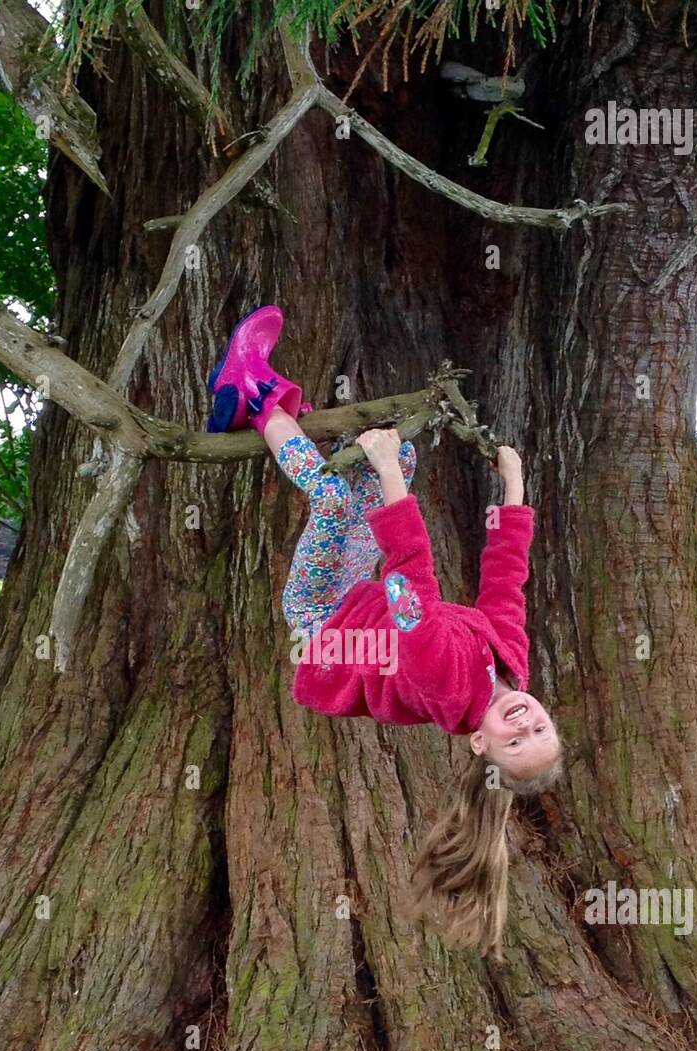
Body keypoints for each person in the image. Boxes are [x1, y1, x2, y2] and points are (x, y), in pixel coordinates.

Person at [206, 305, 563, 959]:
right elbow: (505, 584)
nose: (524, 724)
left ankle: (251, 394)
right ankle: (282, 421)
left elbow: (411, 584)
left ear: (481, 745)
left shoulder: (447, 687)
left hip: (322, 617)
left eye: (515, 742)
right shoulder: (507, 666)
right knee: (388, 455)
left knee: (343, 496)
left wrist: (394, 481)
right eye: (538, 728)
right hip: (358, 595)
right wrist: (514, 487)